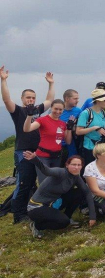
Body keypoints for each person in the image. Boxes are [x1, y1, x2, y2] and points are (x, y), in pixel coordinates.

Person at [0, 65, 55, 224]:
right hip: (22, 152)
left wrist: (50, 84)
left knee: (32, 182)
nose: (31, 100)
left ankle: (28, 209)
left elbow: (50, 100)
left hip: (38, 151)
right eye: (28, 98)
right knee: (23, 182)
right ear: (23, 99)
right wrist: (3, 80)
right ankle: (18, 214)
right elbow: (6, 99)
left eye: (33, 97)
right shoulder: (18, 111)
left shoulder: (37, 110)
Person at [24, 152, 96, 238]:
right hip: (37, 207)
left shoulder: (76, 177)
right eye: (73, 164)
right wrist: (35, 159)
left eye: (79, 165)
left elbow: (87, 192)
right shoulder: (60, 172)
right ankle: (37, 226)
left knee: (79, 193)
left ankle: (67, 217)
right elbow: (46, 170)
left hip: (53, 203)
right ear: (67, 165)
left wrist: (92, 216)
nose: (76, 167)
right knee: (63, 222)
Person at [23, 99, 73, 183]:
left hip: (57, 157)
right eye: (55, 109)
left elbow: (68, 141)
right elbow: (27, 129)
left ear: (63, 110)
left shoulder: (62, 124)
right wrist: (29, 115)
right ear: (51, 108)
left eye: (60, 109)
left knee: (55, 181)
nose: (58, 111)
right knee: (44, 182)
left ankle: (55, 196)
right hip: (43, 156)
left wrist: (69, 129)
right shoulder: (42, 120)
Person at [76, 89, 105, 165]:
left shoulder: (103, 113)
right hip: (88, 147)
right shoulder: (86, 113)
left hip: (100, 147)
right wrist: (94, 128)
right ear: (98, 101)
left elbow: (102, 127)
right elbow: (78, 131)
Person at [60, 89, 82, 162]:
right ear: (67, 99)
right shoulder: (58, 110)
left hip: (71, 143)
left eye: (78, 99)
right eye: (75, 98)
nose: (77, 101)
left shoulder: (78, 111)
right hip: (58, 142)